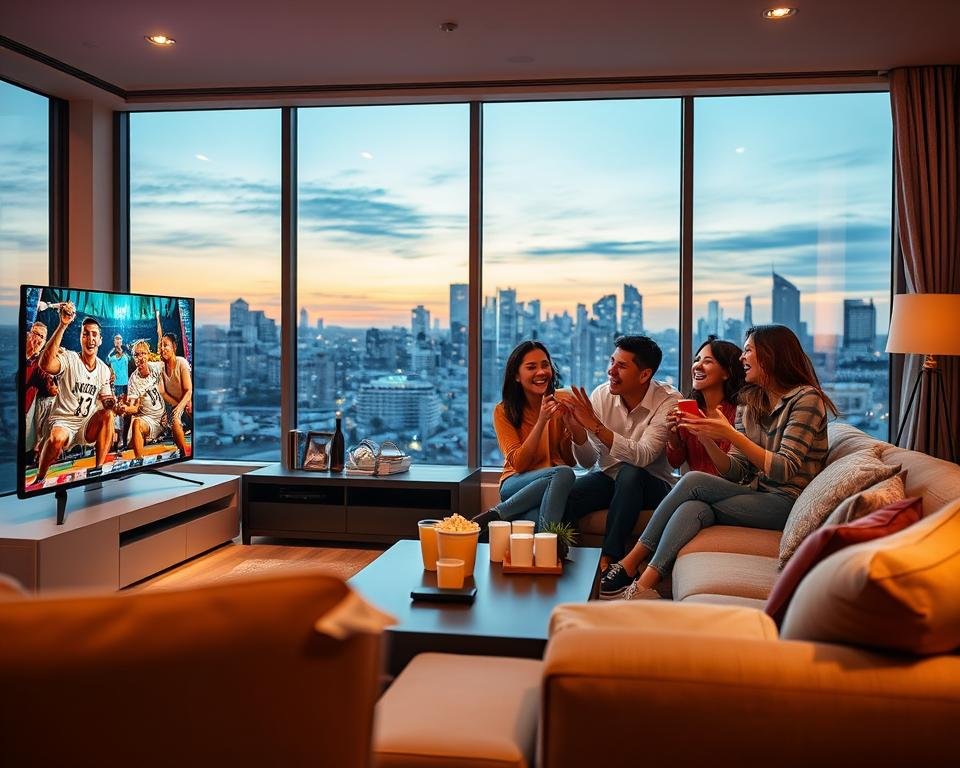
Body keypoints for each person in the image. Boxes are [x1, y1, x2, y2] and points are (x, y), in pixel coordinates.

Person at [601, 324, 837, 600]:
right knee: (694, 506)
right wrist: (708, 437)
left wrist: (731, 435)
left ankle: (629, 563)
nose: (742, 358)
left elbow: (785, 468)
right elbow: (736, 472)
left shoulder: (805, 399)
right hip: (757, 493)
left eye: (748, 351)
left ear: (770, 356)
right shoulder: (750, 401)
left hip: (786, 500)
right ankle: (643, 586)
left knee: (693, 482)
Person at [561, 335, 681, 573]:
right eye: (612, 362)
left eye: (621, 366)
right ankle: (570, 557)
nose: (611, 371)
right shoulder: (601, 395)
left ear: (644, 375)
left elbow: (643, 456)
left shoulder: (668, 400)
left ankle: (610, 557)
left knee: (631, 472)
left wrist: (595, 425)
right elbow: (587, 462)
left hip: (653, 485)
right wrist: (575, 428)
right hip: (610, 478)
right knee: (566, 494)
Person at [471, 341, 576, 531]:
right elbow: (519, 463)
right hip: (516, 482)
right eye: (531, 367)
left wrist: (571, 427)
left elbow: (570, 460)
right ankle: (499, 513)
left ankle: (543, 549)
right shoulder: (503, 411)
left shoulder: (561, 401)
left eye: (545, 365)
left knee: (533, 517)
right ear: (517, 376)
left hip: (551, 482)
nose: (541, 372)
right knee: (563, 473)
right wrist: (542, 421)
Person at [32, 304, 116, 486]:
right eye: (86, 334)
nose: (90, 338)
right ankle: (40, 478)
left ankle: (97, 473)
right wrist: (63, 325)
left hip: (85, 424)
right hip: (63, 421)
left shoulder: (103, 369)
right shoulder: (70, 358)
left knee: (109, 415)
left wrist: (115, 404)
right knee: (57, 439)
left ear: (100, 340)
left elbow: (106, 401)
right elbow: (45, 365)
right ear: (80, 338)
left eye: (94, 335)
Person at [664, 336, 745, 475]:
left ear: (726, 373)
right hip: (696, 489)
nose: (698, 366)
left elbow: (734, 470)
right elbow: (675, 462)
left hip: (728, 487)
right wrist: (673, 439)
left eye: (707, 361)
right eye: (697, 360)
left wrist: (708, 437)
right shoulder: (691, 410)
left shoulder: (739, 412)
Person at [121, 340, 167, 459]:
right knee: (136, 423)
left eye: (143, 354)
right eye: (136, 355)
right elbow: (134, 407)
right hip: (148, 421)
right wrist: (124, 408)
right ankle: (139, 460)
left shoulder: (157, 367)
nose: (140, 357)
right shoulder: (133, 379)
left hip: (163, 417)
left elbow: (173, 382)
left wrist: (169, 409)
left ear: (148, 355)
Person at [156, 310, 193, 458]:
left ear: (174, 347)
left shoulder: (181, 362)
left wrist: (184, 405)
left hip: (189, 398)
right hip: (177, 402)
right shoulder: (160, 368)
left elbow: (189, 390)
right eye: (161, 346)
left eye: (166, 345)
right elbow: (163, 393)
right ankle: (184, 455)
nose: (163, 348)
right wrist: (177, 408)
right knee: (174, 419)